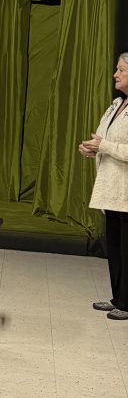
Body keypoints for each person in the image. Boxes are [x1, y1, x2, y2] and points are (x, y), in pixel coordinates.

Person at [80, 53, 128, 320]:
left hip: (126, 191)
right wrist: (92, 148)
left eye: (121, 70)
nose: (115, 75)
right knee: (115, 247)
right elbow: (104, 139)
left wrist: (104, 146)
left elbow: (113, 146)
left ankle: (127, 303)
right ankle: (118, 297)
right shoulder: (116, 104)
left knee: (126, 248)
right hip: (111, 189)